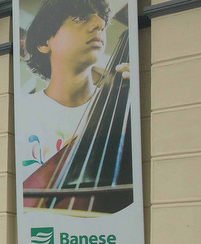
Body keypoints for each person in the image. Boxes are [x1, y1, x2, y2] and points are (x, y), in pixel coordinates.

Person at [19, 0, 128, 180]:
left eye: (102, 21)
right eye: (80, 18)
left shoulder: (120, 103)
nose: (100, 24)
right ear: (44, 43)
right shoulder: (22, 112)